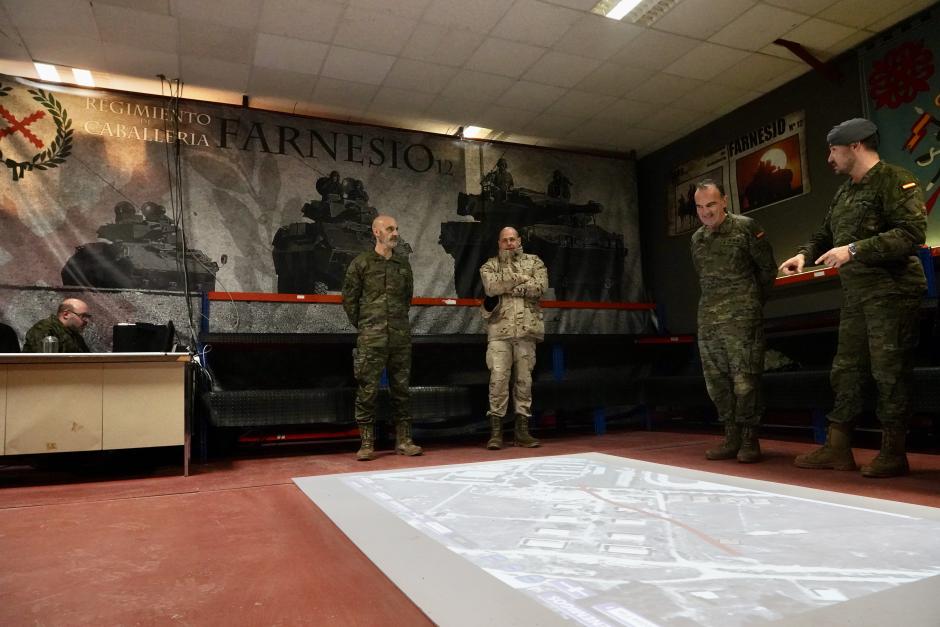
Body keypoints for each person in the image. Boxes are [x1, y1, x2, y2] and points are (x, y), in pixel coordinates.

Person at [779, 118, 927, 478]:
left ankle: (894, 453)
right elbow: (826, 234)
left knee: (889, 372)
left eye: (834, 149)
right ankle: (838, 447)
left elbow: (911, 233)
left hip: (892, 293)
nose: (829, 157)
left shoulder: (895, 180)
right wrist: (803, 254)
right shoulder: (845, 193)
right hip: (857, 296)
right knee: (845, 371)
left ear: (856, 146)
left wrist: (854, 250)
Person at [691, 180, 777, 463]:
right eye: (700, 207)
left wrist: (751, 303)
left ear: (725, 201)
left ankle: (750, 439)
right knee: (717, 382)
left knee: (745, 380)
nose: (706, 212)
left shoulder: (746, 228)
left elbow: (767, 271)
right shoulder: (697, 239)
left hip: (742, 319)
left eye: (711, 204)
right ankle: (731, 437)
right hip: (709, 320)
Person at [342, 214, 422, 461]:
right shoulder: (361, 264)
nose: (395, 233)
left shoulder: (402, 265)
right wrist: (367, 324)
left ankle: (404, 440)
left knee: (402, 390)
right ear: (376, 232)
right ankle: (367, 443)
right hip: (371, 338)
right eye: (389, 229)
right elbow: (350, 300)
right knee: (367, 390)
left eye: (396, 228)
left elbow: (406, 299)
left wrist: (394, 324)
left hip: (399, 338)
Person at [479, 226, 547, 450]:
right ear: (499, 243)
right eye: (504, 240)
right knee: (498, 380)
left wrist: (508, 285)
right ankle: (496, 433)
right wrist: (521, 279)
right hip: (500, 332)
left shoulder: (535, 262)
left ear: (519, 240)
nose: (509, 243)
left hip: (526, 332)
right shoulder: (490, 265)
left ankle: (522, 431)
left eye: (512, 239)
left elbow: (540, 287)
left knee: (524, 382)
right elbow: (491, 287)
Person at [23, 298, 92, 353]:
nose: (87, 321)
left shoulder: (75, 335)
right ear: (66, 314)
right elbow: (43, 361)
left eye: (88, 317)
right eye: (83, 316)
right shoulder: (44, 329)